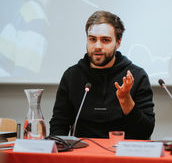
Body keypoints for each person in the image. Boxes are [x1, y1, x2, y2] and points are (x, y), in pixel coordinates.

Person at [49, 10, 155, 140]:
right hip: (81, 155)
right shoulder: (72, 76)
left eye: (105, 40)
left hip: (122, 155)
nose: (97, 46)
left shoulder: (135, 76)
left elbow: (145, 132)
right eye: (92, 39)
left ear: (118, 43)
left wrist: (125, 100)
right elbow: (59, 125)